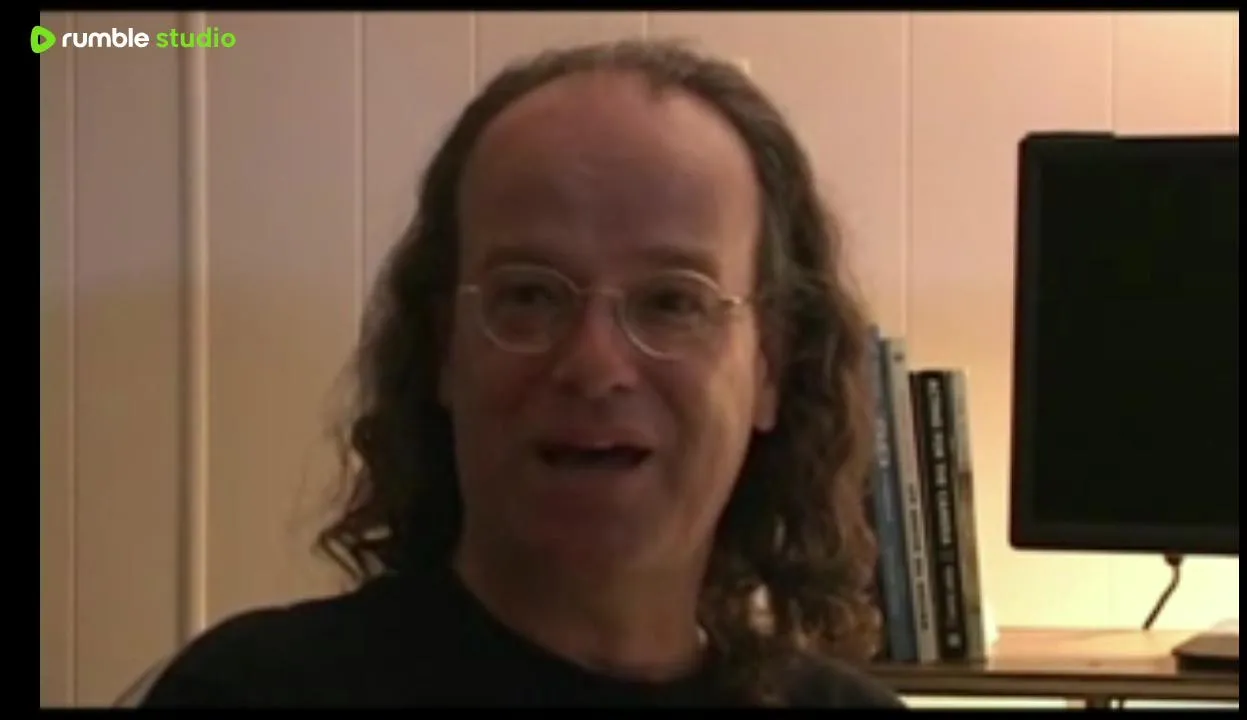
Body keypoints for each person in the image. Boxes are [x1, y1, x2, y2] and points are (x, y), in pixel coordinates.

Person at [137, 37, 904, 708]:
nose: (595, 366)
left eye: (673, 301)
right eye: (530, 296)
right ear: (445, 349)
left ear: (769, 366)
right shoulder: (252, 693)